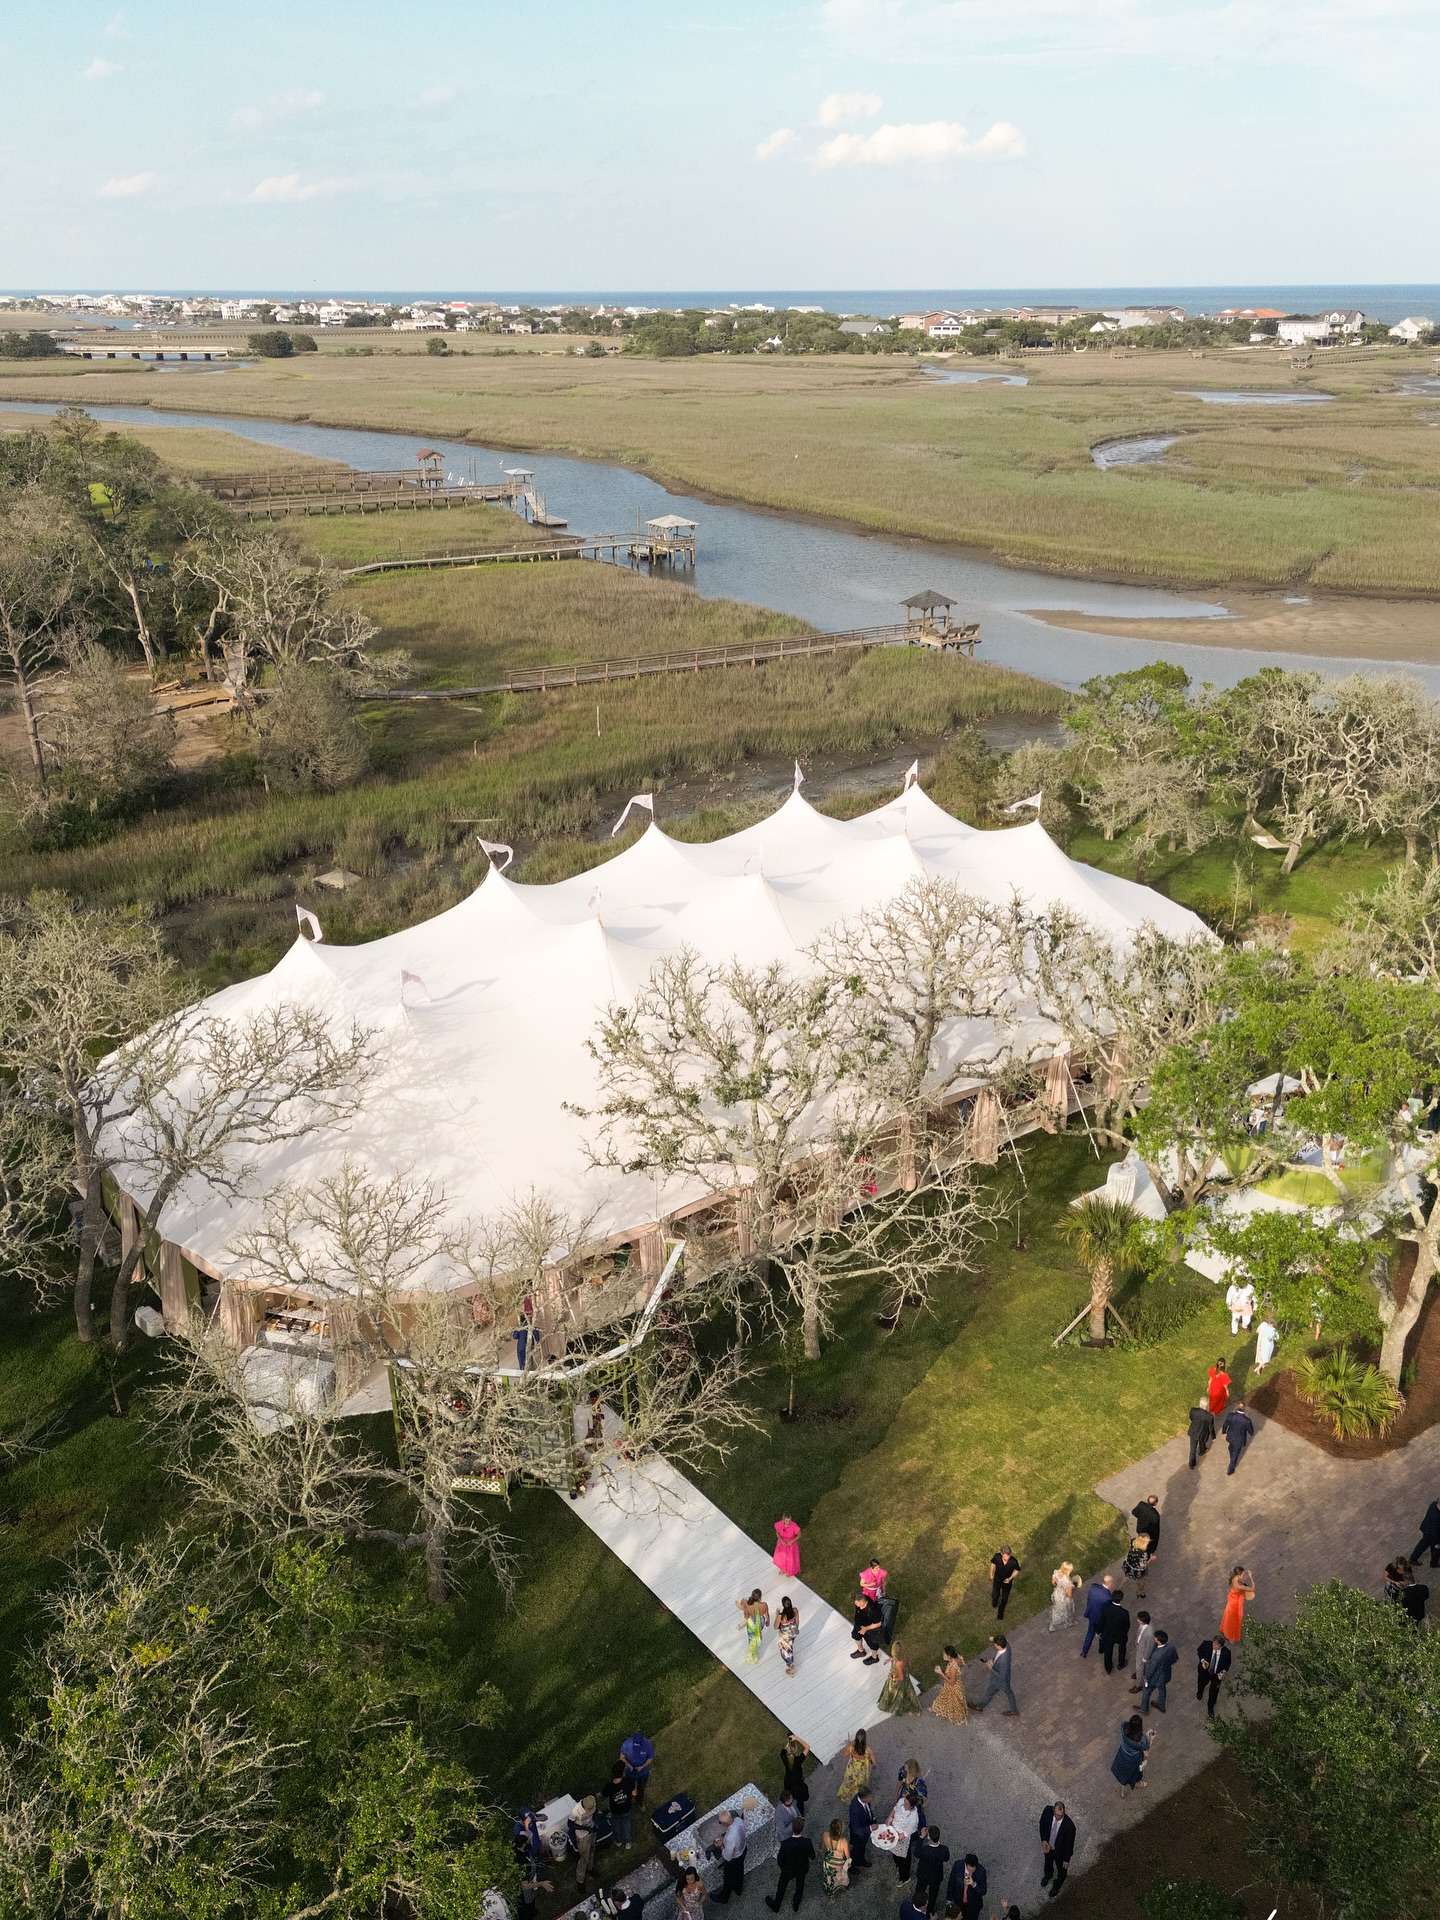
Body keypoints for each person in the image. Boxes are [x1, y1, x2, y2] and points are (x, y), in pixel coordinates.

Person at [767, 1819, 816, 1913]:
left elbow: (780, 1860)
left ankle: (776, 1905)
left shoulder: (785, 1844)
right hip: (802, 1868)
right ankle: (796, 1904)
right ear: (802, 1829)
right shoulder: (807, 1842)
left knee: (782, 1886)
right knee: (800, 1886)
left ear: (792, 1828)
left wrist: (783, 1867)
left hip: (788, 1869)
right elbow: (813, 1856)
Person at [1038, 1803, 1075, 1901]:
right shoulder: (1047, 1811)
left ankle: (1057, 1886)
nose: (1058, 1817)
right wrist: (1044, 1840)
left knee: (1062, 1871)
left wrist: (1066, 1859)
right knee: (1048, 1862)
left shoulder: (1069, 1826)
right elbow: (1042, 1824)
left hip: (1061, 1853)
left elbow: (1069, 1845)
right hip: (1049, 1846)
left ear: (1064, 1812)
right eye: (1056, 1814)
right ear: (1053, 1811)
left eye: (1060, 1815)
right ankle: (1048, 1875)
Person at [712, 1808, 748, 1905]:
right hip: (743, 1849)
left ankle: (724, 1897)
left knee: (728, 1877)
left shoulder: (730, 1838)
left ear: (725, 1824)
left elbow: (727, 1857)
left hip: (734, 1858)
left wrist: (720, 1846)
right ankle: (738, 1889)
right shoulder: (738, 1820)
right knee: (740, 1870)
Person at [1110, 1714, 1153, 1794]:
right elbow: (1146, 1754)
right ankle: (1137, 1784)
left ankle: (1123, 1789)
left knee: (1123, 1772)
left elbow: (1124, 1724)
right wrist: (1150, 1740)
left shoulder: (1124, 1727)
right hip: (1134, 1760)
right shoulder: (1142, 1740)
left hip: (1122, 1755)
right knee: (1134, 1774)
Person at [974, 1635, 1017, 1715]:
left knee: (990, 1692)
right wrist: (994, 1639)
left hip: (999, 1681)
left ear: (998, 1646)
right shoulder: (1007, 1646)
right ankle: (1014, 1710)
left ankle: (980, 1707)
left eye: (995, 1644)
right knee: (1009, 1693)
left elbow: (1001, 1676)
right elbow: (1003, 1641)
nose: (994, 1645)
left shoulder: (1003, 1661)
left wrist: (991, 1668)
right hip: (1005, 1678)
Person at [885, 1791, 921, 1883]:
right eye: (905, 1801)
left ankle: (905, 1877)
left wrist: (891, 1839)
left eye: (906, 1803)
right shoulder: (901, 1801)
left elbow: (904, 1835)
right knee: (895, 1854)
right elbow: (894, 1810)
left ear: (911, 1806)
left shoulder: (913, 1819)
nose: (904, 1803)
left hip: (900, 1839)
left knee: (902, 1859)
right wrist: (890, 1818)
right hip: (893, 1832)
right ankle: (898, 1864)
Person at [1140, 1629, 1178, 1712]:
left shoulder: (1156, 1656)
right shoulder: (1171, 1647)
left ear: (1158, 1641)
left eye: (1155, 1638)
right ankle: (1161, 1704)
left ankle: (1144, 1708)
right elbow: (1175, 1658)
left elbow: (1151, 1669)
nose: (1154, 1639)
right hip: (1165, 1674)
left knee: (1146, 1690)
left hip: (1155, 1677)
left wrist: (1146, 1677)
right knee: (1162, 1689)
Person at [1385, 1557, 1430, 1624]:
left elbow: (1409, 1576)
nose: (1401, 1567)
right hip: (1396, 1584)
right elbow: (1385, 1576)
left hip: (1404, 1587)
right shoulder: (1423, 1588)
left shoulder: (1403, 1594)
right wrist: (1395, 1582)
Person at [878, 1644, 921, 1715]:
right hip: (904, 1678)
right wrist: (891, 1659)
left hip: (897, 1681)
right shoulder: (903, 1657)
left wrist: (892, 1678)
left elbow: (901, 1678)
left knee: (894, 1693)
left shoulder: (898, 1664)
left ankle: (893, 1705)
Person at [915, 1827, 950, 1909]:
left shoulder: (924, 1850)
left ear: (928, 1837)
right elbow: (946, 1858)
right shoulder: (944, 1849)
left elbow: (916, 1853)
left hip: (923, 1875)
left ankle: (918, 1905)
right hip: (936, 1876)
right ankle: (930, 1908)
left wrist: (921, 1837)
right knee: (933, 1894)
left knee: (920, 1890)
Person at [1195, 1636, 1231, 1716]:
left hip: (1216, 1675)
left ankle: (1210, 1707)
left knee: (1214, 1692)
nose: (1213, 1646)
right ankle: (1200, 1692)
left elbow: (1227, 1664)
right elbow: (1199, 1650)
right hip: (1205, 1671)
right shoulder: (1206, 1644)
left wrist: (1223, 1672)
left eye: (1216, 1646)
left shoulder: (1226, 1653)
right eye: (1213, 1644)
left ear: (1221, 1646)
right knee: (1201, 1683)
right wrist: (1203, 1660)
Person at [931, 1644, 969, 1723]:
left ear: (949, 1656)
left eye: (944, 1654)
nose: (943, 1655)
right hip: (958, 1683)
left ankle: (957, 1717)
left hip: (953, 1687)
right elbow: (962, 1663)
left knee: (954, 1702)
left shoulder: (952, 1668)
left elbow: (952, 1683)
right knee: (949, 1699)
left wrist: (941, 1673)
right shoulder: (957, 1658)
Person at [1098, 1586, 1131, 1675]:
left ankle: (1108, 1668)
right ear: (1121, 1599)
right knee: (1122, 1648)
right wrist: (1124, 1633)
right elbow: (1127, 1625)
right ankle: (1121, 1663)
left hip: (1108, 1634)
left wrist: (1099, 1631)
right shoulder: (1124, 1613)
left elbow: (1101, 1621)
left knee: (1108, 1651)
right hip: (1120, 1635)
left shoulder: (1106, 1609)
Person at [1080, 1574, 1114, 1657]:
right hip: (1100, 1619)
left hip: (1091, 1615)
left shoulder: (1093, 1587)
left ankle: (1084, 1651)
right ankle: (1101, 1649)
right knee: (1101, 1634)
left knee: (1090, 1632)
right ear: (1110, 1584)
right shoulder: (1109, 1597)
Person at [945, 1853, 986, 1920]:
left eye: (973, 1870)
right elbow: (951, 1882)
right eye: (969, 1870)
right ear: (966, 1864)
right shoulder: (957, 1865)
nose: (970, 1872)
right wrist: (949, 1899)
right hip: (959, 1902)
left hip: (973, 1906)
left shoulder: (981, 1871)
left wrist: (974, 1884)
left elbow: (983, 1891)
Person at [1220, 1566, 1255, 1644]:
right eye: (1242, 1574)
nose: (1243, 1575)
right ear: (1239, 1574)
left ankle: (1226, 1631)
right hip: (1235, 1604)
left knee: (1228, 1617)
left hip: (1232, 1599)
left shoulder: (1233, 1579)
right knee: (1234, 1621)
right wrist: (1251, 1577)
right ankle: (1231, 1636)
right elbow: (1252, 1589)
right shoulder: (1239, 1586)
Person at [837, 1730, 873, 1803]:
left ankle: (846, 1797)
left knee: (848, 1784)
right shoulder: (868, 1750)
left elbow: (843, 1755)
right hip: (861, 1773)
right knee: (859, 1786)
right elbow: (874, 1761)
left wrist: (848, 1744)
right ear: (865, 1739)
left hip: (851, 1771)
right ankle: (857, 1799)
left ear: (856, 1738)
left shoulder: (851, 1747)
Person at [620, 1733, 654, 1807]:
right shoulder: (626, 1744)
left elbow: (650, 1758)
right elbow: (622, 1757)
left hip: (643, 1772)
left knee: (641, 1789)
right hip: (629, 1772)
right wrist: (629, 1765)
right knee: (628, 1788)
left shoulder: (647, 1745)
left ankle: (639, 1802)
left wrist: (642, 1766)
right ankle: (628, 1802)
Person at [738, 1588, 770, 1664]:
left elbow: (746, 1617)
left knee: (751, 1637)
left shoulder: (748, 1605)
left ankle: (752, 1651)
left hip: (751, 1623)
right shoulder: (764, 1605)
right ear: (760, 1597)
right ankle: (755, 1648)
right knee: (757, 1634)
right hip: (760, 1622)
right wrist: (768, 1621)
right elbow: (767, 1614)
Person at [607, 1762, 635, 1848]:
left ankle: (618, 1841)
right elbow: (634, 1791)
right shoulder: (628, 1782)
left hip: (615, 1810)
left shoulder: (609, 1786)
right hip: (626, 1808)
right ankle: (628, 1842)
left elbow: (603, 1795)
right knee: (626, 1823)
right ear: (622, 1773)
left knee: (616, 1825)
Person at [1222, 1401, 1255, 1475]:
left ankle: (1231, 1466)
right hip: (1239, 1440)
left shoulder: (1230, 1415)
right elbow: (1251, 1432)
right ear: (1244, 1409)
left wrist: (1224, 1432)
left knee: (1231, 1448)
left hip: (1230, 1436)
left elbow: (1225, 1424)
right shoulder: (1247, 1421)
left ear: (1237, 1407)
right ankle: (1230, 1469)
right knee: (1235, 1454)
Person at [851, 1591, 884, 1665]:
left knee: (872, 1644)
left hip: (869, 1630)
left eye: (856, 1603)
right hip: (859, 1626)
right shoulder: (859, 1605)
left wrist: (865, 1628)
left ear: (862, 1602)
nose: (855, 1604)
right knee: (855, 1636)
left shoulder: (873, 1610)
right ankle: (861, 1651)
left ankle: (874, 1657)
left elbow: (878, 1623)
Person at [572, 1796, 598, 1890]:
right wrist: (586, 1829)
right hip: (582, 1836)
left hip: (591, 1830)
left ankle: (590, 1868)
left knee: (592, 1850)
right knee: (584, 1858)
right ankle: (580, 1880)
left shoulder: (591, 1801)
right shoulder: (576, 1810)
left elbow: (595, 1812)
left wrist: (594, 1824)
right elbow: (570, 1824)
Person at [989, 1547, 1021, 1620]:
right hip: (997, 1579)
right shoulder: (997, 1557)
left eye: (1008, 1555)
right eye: (1005, 1555)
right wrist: (991, 1574)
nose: (1007, 1557)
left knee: (1005, 1598)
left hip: (1007, 1582)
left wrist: (1010, 1578)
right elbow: (993, 1563)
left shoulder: (1013, 1562)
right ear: (1001, 1554)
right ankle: (995, 1601)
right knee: (995, 1593)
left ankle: (1000, 1612)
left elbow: (1017, 1570)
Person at [820, 1820, 850, 1898]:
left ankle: (831, 1895)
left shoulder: (825, 1835)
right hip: (838, 1864)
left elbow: (823, 1846)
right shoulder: (843, 1842)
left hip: (829, 1863)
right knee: (839, 1877)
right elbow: (848, 1857)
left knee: (830, 1879)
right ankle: (841, 1886)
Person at [782, 1736, 812, 1812]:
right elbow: (807, 1747)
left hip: (788, 1783)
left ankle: (788, 1808)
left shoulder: (784, 1758)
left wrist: (789, 1743)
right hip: (798, 1785)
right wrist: (796, 1738)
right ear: (795, 1750)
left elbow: (784, 1750)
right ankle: (800, 1815)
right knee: (799, 1802)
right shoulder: (798, 1760)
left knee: (788, 1797)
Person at [848, 1787, 874, 1871]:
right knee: (856, 1849)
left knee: (862, 1848)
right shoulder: (855, 1810)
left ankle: (861, 1860)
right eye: (870, 1797)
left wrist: (872, 1819)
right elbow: (856, 1829)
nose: (872, 1798)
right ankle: (850, 1866)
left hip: (864, 1831)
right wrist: (870, 1828)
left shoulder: (863, 1800)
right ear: (863, 1798)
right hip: (858, 1835)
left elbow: (868, 1810)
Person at [1129, 1611, 1154, 1694]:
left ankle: (1139, 1685)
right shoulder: (1142, 1625)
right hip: (1139, 1647)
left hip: (1142, 1652)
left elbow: (1149, 1647)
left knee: (1139, 1667)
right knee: (1139, 1667)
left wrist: (1145, 1658)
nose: (1137, 1620)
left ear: (1143, 1621)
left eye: (1139, 1619)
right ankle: (1138, 1674)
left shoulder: (1150, 1633)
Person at [1187, 1402, 1217, 1470]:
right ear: (1206, 1406)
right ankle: (1201, 1451)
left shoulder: (1193, 1410)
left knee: (1193, 1448)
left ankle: (1191, 1464)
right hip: (1203, 1433)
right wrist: (1213, 1437)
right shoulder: (1209, 1416)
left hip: (1194, 1432)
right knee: (1202, 1441)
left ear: (1200, 1403)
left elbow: (1191, 1418)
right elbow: (1211, 1428)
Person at [1412, 1499, 1440, 1570]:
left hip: (1427, 1529)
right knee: (1436, 1550)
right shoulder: (1438, 1516)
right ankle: (1434, 1563)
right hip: (1435, 1536)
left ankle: (1413, 1558)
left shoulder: (1433, 1504)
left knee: (1423, 1544)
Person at [777, 1597, 801, 1678]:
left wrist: (777, 1615)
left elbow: (776, 1626)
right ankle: (790, 1666)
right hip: (793, 1632)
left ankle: (791, 1666)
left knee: (785, 1652)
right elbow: (797, 1622)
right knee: (789, 1646)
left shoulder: (782, 1616)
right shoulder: (795, 1610)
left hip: (785, 1635)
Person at [1048, 1563, 1078, 1631]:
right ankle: (1070, 1622)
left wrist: (1059, 1586)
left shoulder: (1056, 1573)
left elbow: (1053, 1583)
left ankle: (1053, 1624)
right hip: (1063, 1598)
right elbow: (1069, 1595)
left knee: (1057, 1610)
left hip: (1057, 1594)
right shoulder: (1068, 1582)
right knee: (1068, 1610)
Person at [1122, 1535, 1151, 1601]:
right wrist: (1150, 1559)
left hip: (1129, 1565)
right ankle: (1140, 1592)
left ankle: (1118, 1589)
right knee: (1142, 1581)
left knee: (1126, 1576)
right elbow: (1143, 1565)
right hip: (1137, 1570)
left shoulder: (1133, 1542)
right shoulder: (1144, 1553)